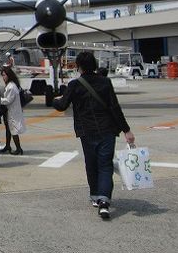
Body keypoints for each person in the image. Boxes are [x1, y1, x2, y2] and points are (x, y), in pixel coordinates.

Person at [53, 51, 135, 220]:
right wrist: (126, 130)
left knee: (91, 164)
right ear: (94, 65)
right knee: (105, 165)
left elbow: (62, 105)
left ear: (79, 66)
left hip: (86, 132)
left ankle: (95, 196)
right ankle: (104, 201)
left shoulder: (75, 84)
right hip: (107, 130)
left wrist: (53, 99)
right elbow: (115, 108)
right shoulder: (105, 82)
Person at [0, 66, 26, 155]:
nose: (3, 77)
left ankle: (19, 149)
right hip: (10, 111)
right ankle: (8, 146)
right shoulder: (11, 85)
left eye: (4, 75)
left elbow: (8, 100)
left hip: (12, 112)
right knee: (9, 129)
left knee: (13, 130)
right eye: (2, 75)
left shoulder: (11, 87)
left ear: (8, 75)